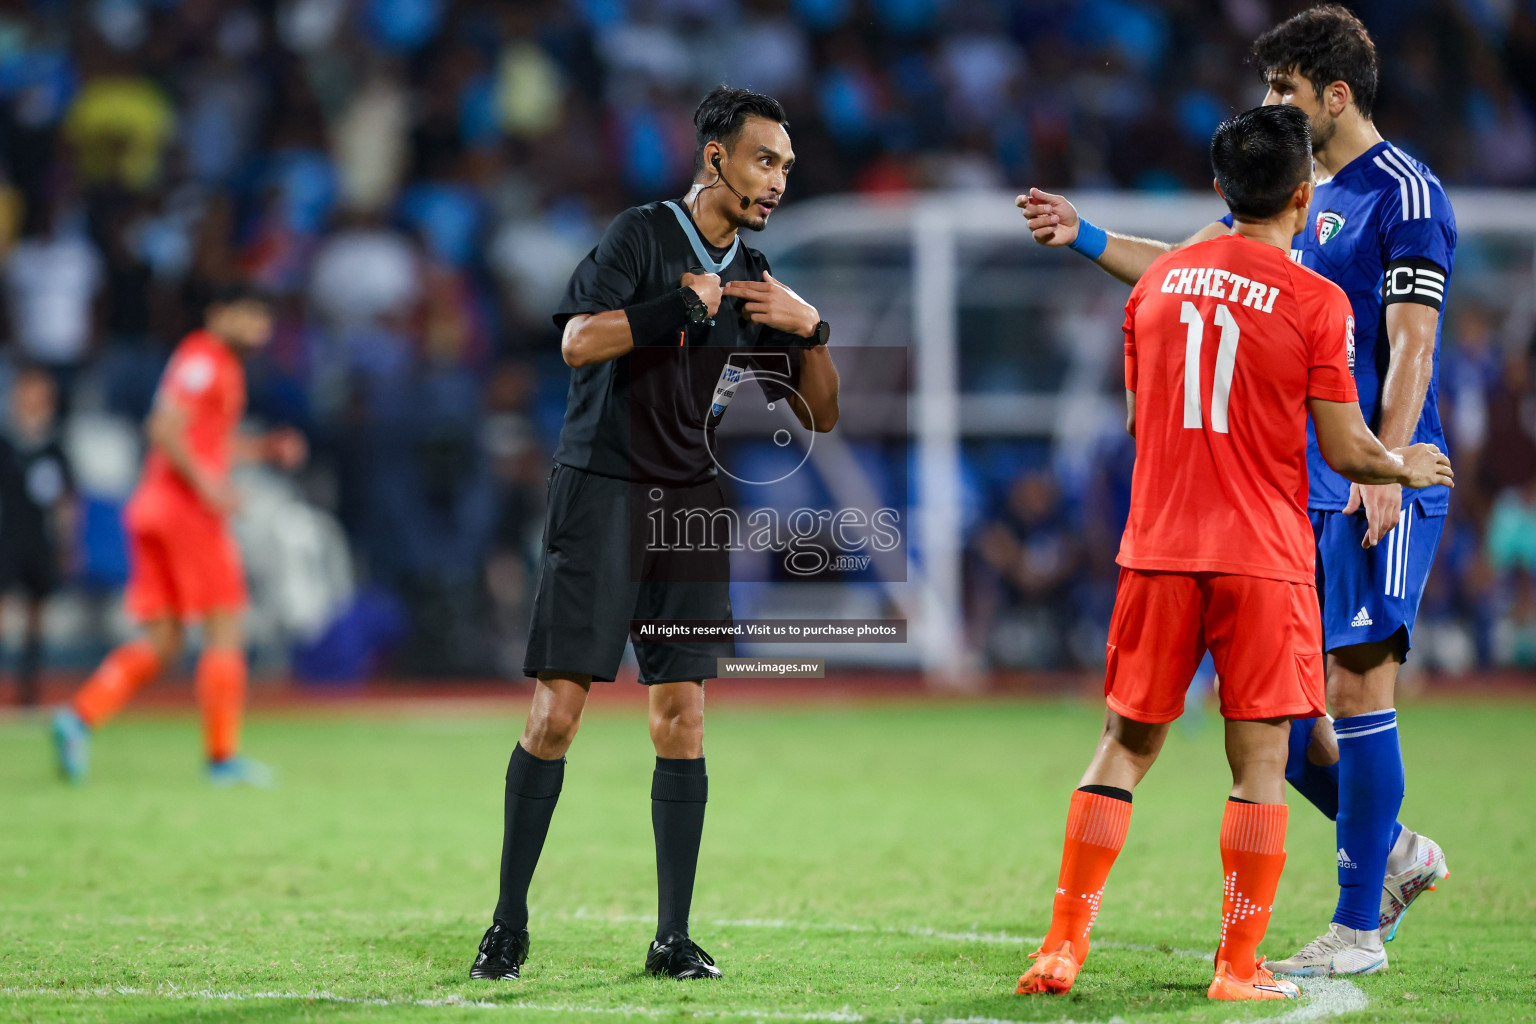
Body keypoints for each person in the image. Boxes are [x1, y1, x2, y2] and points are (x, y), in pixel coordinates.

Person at [1016, 4, 1454, 976]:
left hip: (1376, 472)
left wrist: (1385, 466)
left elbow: (1414, 339)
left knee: (1350, 683)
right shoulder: (1288, 192)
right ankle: (1393, 849)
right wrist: (1087, 235)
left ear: (1333, 96)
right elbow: (1197, 272)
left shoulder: (1407, 194)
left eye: (1283, 91)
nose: (1268, 104)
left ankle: (1357, 924)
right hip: (1291, 483)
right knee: (1283, 718)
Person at [469, 85, 839, 983]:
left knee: (683, 721)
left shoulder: (758, 277)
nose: (778, 179)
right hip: (601, 490)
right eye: (764, 159)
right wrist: (680, 309)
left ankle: (672, 937)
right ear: (715, 158)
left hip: (692, 504)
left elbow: (820, 416)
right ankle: (508, 925)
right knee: (557, 716)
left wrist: (813, 331)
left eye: (787, 165)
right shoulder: (639, 235)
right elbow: (578, 342)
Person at [50, 283, 306, 786]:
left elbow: (205, 438)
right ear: (220, 312)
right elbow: (164, 428)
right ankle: (221, 758)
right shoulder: (205, 358)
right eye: (250, 317)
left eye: (264, 320)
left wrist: (264, 450)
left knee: (164, 640)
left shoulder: (210, 364)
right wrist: (209, 486)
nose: (260, 330)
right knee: (225, 624)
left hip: (152, 508)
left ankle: (77, 717)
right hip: (184, 512)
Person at [0, 367, 75, 705]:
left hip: (39, 539)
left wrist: (67, 542)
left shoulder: (54, 445)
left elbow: (66, 499)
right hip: (7, 535)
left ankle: (28, 686)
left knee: (37, 612)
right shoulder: (5, 443)